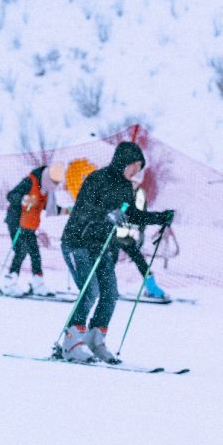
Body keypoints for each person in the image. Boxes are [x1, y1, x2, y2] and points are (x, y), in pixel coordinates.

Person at [58, 142, 173, 363]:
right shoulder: (96, 178)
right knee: (90, 291)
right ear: (124, 161)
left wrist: (160, 217)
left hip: (102, 246)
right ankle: (71, 341)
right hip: (77, 242)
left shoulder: (125, 187)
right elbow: (83, 208)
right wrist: (106, 214)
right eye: (135, 166)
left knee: (110, 294)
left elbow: (132, 215)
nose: (136, 172)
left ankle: (94, 339)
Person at [0, 164, 64, 297]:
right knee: (21, 250)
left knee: (35, 253)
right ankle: (9, 282)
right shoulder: (30, 181)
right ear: (48, 177)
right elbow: (11, 195)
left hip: (29, 224)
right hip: (16, 220)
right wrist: (24, 199)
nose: (54, 186)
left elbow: (47, 207)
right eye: (54, 182)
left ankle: (37, 283)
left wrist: (68, 210)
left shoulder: (45, 189)